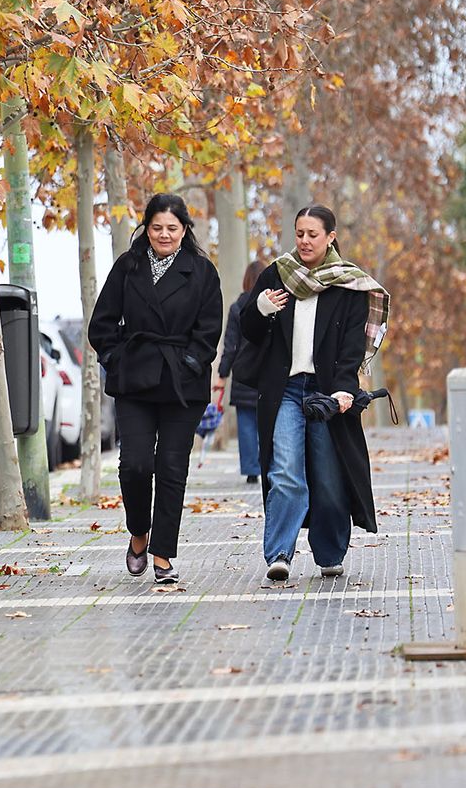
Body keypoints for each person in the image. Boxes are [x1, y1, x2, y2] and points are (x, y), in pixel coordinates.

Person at [239, 204, 390, 582]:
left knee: (328, 475)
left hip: (326, 393)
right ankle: (279, 554)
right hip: (284, 390)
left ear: (331, 237)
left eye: (313, 234)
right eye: (300, 234)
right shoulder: (277, 274)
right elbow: (248, 330)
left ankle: (329, 553)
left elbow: (352, 346)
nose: (305, 241)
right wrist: (260, 308)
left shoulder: (349, 283)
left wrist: (344, 389)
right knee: (286, 472)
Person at [88, 193, 223, 584]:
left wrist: (193, 362)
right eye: (157, 227)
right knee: (135, 464)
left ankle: (163, 553)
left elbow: (209, 328)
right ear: (146, 228)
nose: (164, 234)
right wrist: (116, 358)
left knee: (170, 467)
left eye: (172, 228)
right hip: (135, 380)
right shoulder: (128, 267)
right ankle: (138, 532)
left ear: (185, 230)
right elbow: (102, 324)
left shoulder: (201, 271)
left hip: (182, 384)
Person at [212, 260, 267, 484]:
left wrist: (222, 376)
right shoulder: (273, 304)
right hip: (268, 373)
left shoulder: (237, 307)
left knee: (246, 424)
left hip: (244, 375)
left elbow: (231, 346)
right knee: (268, 423)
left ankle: (251, 470)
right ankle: (270, 465)